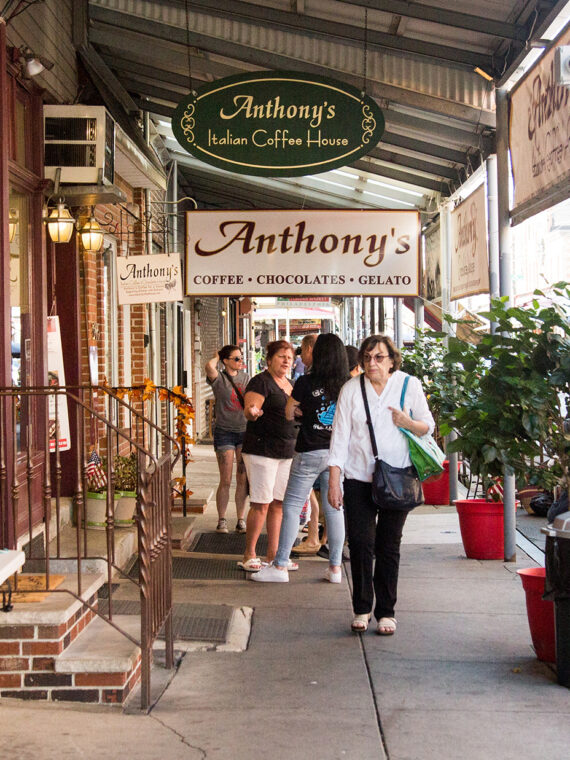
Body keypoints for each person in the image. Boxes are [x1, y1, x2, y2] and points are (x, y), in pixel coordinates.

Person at [328, 334, 435, 635]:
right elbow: (340, 437)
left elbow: (428, 425)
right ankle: (362, 607)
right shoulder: (351, 389)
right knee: (361, 543)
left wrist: (408, 423)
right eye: (367, 357)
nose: (372, 363)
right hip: (358, 478)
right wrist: (335, 480)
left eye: (379, 357)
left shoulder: (408, 385)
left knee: (389, 545)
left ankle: (386, 612)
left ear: (392, 360)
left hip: (397, 477)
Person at [252, 333, 350, 583]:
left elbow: (288, 412)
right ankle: (335, 568)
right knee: (334, 508)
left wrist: (302, 412)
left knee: (292, 506)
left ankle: (280, 565)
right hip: (337, 455)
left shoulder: (306, 382)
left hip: (309, 450)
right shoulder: (349, 384)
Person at [239, 340, 298, 572]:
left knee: (278, 504)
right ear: (270, 359)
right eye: (281, 356)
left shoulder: (290, 384)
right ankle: (250, 553)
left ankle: (274, 555)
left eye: (289, 357)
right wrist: (252, 412)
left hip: (286, 451)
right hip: (262, 450)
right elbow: (250, 409)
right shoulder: (261, 382)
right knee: (261, 503)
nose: (286, 361)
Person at [205, 345, 250, 533]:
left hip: (244, 430)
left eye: (241, 358)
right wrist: (216, 355)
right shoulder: (219, 379)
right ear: (226, 361)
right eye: (236, 358)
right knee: (225, 479)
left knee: (242, 478)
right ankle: (221, 519)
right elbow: (209, 366)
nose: (240, 362)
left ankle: (240, 519)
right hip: (224, 431)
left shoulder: (246, 378)